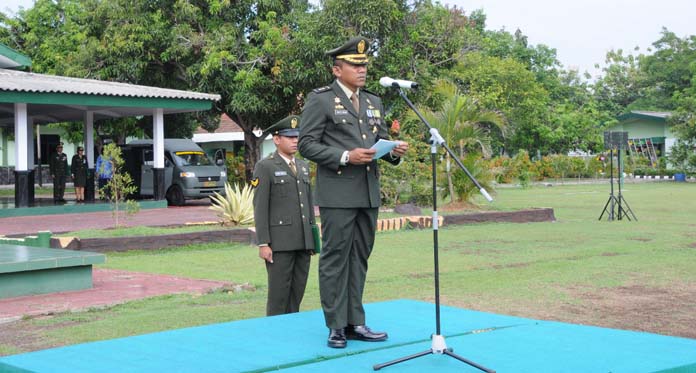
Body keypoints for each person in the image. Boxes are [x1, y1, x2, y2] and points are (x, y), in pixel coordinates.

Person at [298, 36, 409, 348]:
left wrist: (394, 151)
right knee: (335, 258)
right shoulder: (320, 100)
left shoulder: (374, 102)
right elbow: (306, 144)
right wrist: (346, 156)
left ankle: (355, 322)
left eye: (364, 66)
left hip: (368, 193)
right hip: (338, 193)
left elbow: (381, 143)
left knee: (360, 257)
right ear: (337, 69)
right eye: (355, 65)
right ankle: (335, 325)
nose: (362, 71)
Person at [252, 115, 316, 316]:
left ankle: (291, 330)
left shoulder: (303, 166)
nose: (295, 140)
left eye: (297, 136)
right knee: (279, 295)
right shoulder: (266, 166)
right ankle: (274, 335)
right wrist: (263, 243)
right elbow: (260, 207)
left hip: (303, 242)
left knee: (297, 293)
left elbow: (308, 204)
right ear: (277, 140)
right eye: (289, 137)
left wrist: (313, 240)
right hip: (279, 243)